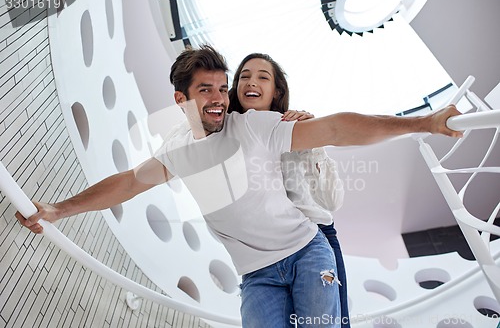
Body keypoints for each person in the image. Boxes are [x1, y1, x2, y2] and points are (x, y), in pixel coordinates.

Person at [17, 45, 463, 327]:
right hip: (258, 277)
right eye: (206, 90)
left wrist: (424, 122)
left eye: (221, 88)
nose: (219, 97)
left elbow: (339, 129)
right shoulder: (175, 151)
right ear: (181, 99)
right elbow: (128, 184)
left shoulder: (254, 127)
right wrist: (58, 209)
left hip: (308, 251)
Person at [228, 52, 350, 326]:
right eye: (244, 76)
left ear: (276, 90)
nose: (251, 82)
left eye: (262, 76)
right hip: (264, 249)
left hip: (314, 235)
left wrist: (313, 140)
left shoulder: (294, 129)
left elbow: (331, 201)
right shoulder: (227, 136)